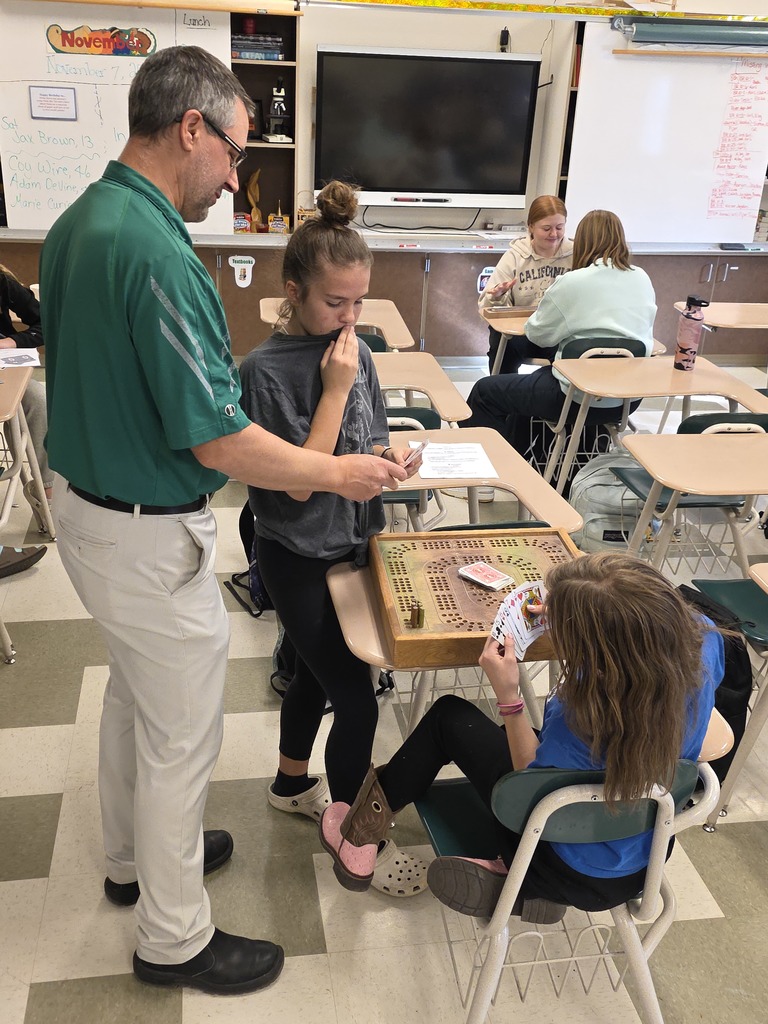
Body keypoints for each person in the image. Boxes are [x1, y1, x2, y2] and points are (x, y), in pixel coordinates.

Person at [39, 46, 406, 996]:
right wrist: (339, 471)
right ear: (189, 127)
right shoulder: (155, 248)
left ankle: (131, 863)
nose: (235, 176)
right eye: (234, 152)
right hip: (139, 528)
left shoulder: (81, 220)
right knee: (182, 734)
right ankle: (173, 940)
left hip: (88, 508)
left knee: (136, 700)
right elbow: (220, 440)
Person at [319, 553, 725, 918]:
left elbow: (527, 780)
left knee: (448, 718)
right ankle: (518, 881)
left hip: (555, 854)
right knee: (504, 741)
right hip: (643, 862)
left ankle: (364, 836)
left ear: (598, 652)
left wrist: (509, 695)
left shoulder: (580, 713)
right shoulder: (705, 638)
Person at [238, 180, 429, 899]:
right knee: (357, 699)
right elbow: (296, 483)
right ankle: (354, 833)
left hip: (354, 547)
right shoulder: (264, 372)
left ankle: (292, 784)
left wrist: (392, 460)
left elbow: (367, 438)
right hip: (295, 555)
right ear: (294, 291)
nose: (348, 318)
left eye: (358, 303)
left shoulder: (358, 354)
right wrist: (337, 388)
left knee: (315, 674)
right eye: (333, 302)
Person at [463, 209, 656, 458]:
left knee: (485, 391)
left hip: (575, 397)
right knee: (533, 385)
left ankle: (489, 471)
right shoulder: (642, 278)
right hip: (626, 399)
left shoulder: (572, 281)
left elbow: (538, 335)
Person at [478, 196, 572, 375]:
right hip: (523, 335)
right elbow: (486, 308)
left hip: (559, 334)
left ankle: (556, 397)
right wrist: (497, 296)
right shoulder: (515, 256)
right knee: (500, 341)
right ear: (530, 227)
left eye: (559, 228)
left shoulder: (575, 254)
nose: (554, 234)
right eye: (546, 228)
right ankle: (501, 396)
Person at [0, 265, 53, 529]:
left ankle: (46, 489)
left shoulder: (3, 282)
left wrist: (14, 341)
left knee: (38, 401)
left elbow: (47, 322)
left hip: (4, 370)